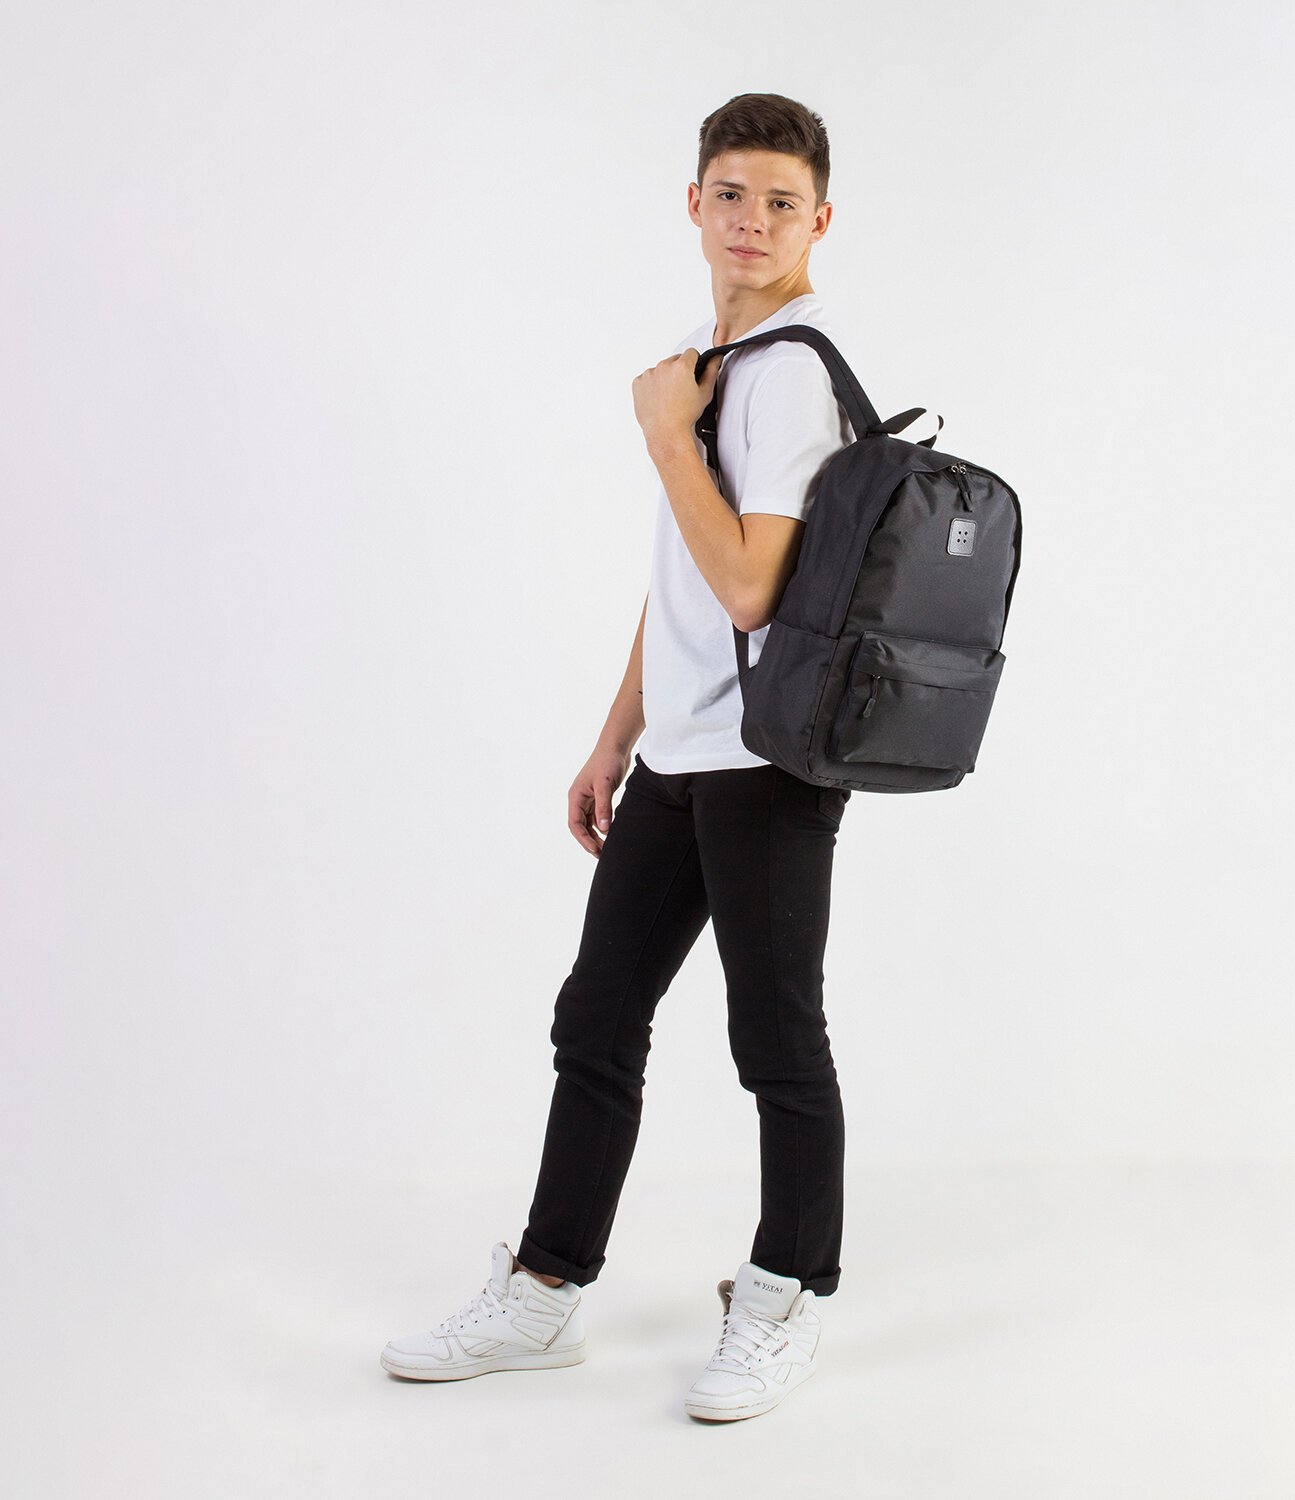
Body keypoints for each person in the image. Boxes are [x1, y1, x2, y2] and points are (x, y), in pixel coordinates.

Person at [381, 92, 857, 1424]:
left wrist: (661, 435)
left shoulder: (787, 377)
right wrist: (615, 738)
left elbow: (753, 586)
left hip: (767, 764)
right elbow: (687, 586)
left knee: (776, 1040)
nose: (752, 221)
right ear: (694, 205)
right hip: (682, 755)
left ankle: (788, 1296)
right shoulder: (711, 366)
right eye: (731, 194)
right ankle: (543, 1292)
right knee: (597, 1018)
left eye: (780, 202)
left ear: (820, 221)